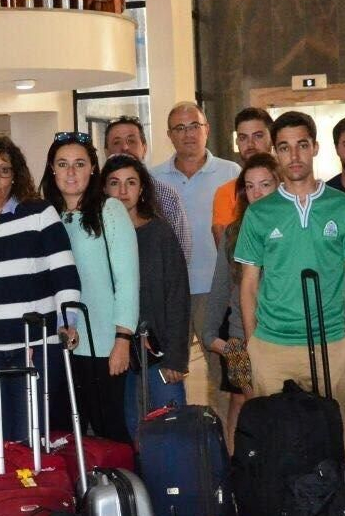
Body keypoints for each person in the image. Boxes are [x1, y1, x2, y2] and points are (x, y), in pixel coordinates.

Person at [235, 112, 345, 461]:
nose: (294, 156)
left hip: (331, 345)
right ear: (276, 153)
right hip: (272, 349)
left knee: (339, 445)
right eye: (285, 147)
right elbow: (248, 285)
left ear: (315, 148)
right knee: (279, 447)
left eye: (302, 145)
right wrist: (253, 346)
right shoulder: (259, 213)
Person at [0, 136, 81, 460]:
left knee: (31, 437)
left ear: (15, 175)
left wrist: (68, 323)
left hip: (36, 346)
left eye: (3, 170)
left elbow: (65, 274)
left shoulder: (40, 214)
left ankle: (33, 503)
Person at [42, 132, 139, 442]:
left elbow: (127, 280)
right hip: (59, 343)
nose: (71, 172)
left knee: (110, 430)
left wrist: (122, 339)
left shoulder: (109, 210)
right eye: (63, 164)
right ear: (52, 169)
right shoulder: (44, 216)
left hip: (103, 343)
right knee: (63, 435)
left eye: (79, 164)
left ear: (93, 168)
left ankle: (124, 490)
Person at [152, 102, 240, 417]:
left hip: (218, 292)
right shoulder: (152, 179)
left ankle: (230, 452)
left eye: (194, 126)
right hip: (168, 295)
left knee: (229, 377)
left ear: (206, 129)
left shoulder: (233, 173)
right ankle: (179, 444)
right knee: (167, 374)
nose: (188, 134)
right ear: (169, 135)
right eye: (180, 128)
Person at [102, 154, 190, 437]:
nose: (123, 191)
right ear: (103, 189)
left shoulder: (160, 232)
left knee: (171, 427)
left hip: (159, 350)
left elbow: (177, 295)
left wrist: (176, 357)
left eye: (131, 183)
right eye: (114, 183)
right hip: (114, 349)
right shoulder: (97, 234)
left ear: (142, 189)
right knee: (131, 430)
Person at [202, 154, 280, 448]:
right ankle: (240, 475)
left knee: (277, 414)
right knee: (246, 407)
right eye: (249, 186)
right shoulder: (233, 233)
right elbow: (219, 290)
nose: (257, 193)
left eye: (265, 185)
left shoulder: (295, 229)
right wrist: (218, 340)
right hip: (240, 341)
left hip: (283, 341)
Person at [103, 116, 193, 262]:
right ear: (106, 151)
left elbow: (181, 256)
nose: (125, 147)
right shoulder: (94, 196)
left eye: (131, 141)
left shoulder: (167, 196)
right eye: (116, 142)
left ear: (144, 147)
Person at [209, 107, 274, 243]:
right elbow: (228, 253)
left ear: (272, 138)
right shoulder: (226, 193)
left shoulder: (290, 184)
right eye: (243, 138)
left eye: (258, 136)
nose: (250, 144)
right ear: (237, 142)